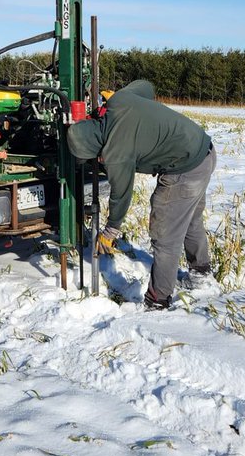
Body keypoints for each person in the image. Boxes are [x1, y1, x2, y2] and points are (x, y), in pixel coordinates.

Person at [66, 80, 216, 310]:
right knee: (189, 220)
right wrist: (117, 100)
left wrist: (111, 229)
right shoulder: (119, 101)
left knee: (165, 234)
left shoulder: (116, 150)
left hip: (185, 169)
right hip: (203, 151)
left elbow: (122, 193)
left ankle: (157, 301)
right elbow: (146, 87)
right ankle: (201, 273)